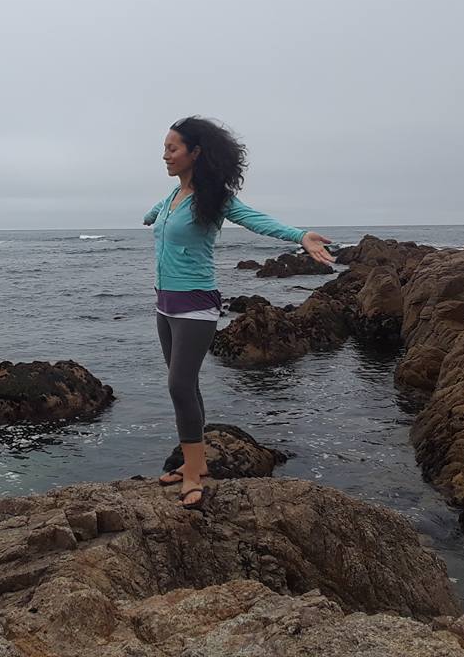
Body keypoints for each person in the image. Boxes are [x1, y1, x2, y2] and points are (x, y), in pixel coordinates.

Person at [143, 116, 335, 508]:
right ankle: (194, 462)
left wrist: (300, 236)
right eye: (164, 147)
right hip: (165, 304)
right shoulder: (171, 197)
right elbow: (157, 218)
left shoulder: (214, 199)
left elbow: (256, 220)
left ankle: (194, 471)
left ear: (195, 153)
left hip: (196, 305)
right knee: (187, 386)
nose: (164, 155)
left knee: (179, 386)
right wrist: (151, 218)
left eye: (172, 148)